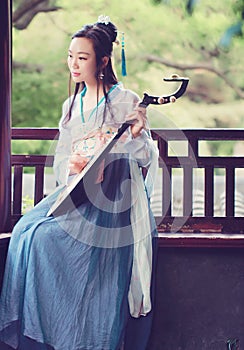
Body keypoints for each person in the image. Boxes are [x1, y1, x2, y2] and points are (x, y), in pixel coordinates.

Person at [0, 15, 158, 350]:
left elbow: (145, 157)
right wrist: (75, 169)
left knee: (46, 241)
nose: (74, 64)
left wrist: (136, 135)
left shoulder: (124, 99)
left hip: (114, 196)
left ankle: (80, 335)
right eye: (71, 56)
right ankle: (40, 333)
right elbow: (61, 157)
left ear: (102, 61)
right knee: (25, 234)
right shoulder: (70, 105)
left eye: (82, 58)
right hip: (78, 189)